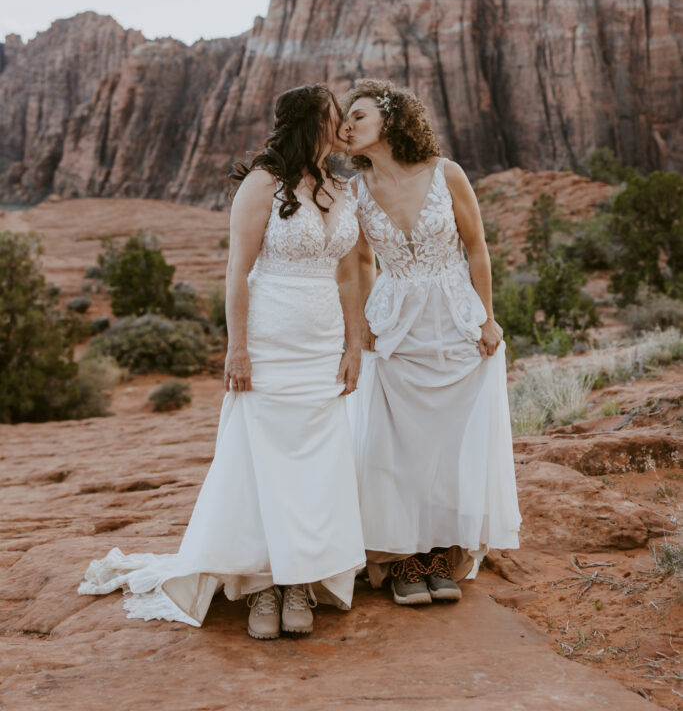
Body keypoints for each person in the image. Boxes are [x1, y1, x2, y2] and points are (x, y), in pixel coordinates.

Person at [79, 84, 366, 639]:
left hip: (322, 344)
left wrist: (354, 344)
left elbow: (351, 274)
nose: (343, 128)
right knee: (260, 458)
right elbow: (238, 270)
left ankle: (300, 579)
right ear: (313, 122)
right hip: (269, 341)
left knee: (315, 463)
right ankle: (259, 584)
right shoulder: (264, 183)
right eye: (335, 117)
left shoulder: (342, 187)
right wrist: (237, 347)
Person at [344, 78, 521, 606]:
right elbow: (358, 262)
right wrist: (365, 324)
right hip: (395, 326)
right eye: (347, 119)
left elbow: (477, 247)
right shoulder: (355, 191)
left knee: (450, 442)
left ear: (391, 120)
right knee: (395, 446)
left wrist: (486, 318)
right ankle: (403, 558)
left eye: (358, 116)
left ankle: (443, 554)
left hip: (455, 319)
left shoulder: (447, 173)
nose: (347, 126)